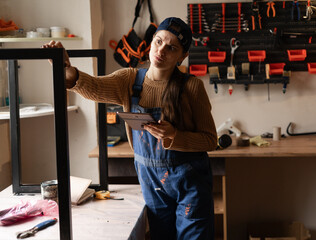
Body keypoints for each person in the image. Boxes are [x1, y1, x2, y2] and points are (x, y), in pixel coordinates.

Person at [43, 17, 217, 240]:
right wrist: (67, 68)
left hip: (189, 180)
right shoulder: (129, 79)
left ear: (182, 56)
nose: (161, 50)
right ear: (151, 41)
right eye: (158, 41)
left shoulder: (192, 86)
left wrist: (175, 136)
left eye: (171, 47)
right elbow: (93, 87)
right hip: (151, 179)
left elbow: (210, 139)